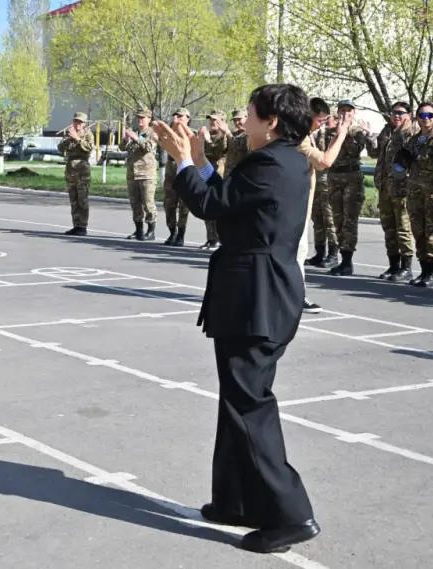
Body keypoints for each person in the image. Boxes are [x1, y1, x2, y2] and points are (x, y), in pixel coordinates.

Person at [151, 84, 320, 554]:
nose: (241, 121)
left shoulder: (272, 162)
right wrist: (201, 161)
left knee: (250, 407)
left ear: (271, 122)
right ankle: (234, 500)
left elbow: (210, 206)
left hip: (257, 300)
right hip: (256, 296)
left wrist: (183, 162)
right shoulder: (281, 161)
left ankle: (290, 516)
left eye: (248, 114)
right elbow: (231, 200)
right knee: (236, 402)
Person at [296, 98, 349, 313]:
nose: (322, 125)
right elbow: (324, 161)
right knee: (297, 254)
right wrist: (341, 134)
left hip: (299, 204)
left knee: (296, 254)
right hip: (293, 207)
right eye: (320, 120)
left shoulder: (304, 134)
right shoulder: (298, 136)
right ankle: (296, 297)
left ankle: (291, 295)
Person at [396, 102, 433, 288]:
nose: (425, 119)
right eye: (422, 115)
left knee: (432, 231)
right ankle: (424, 270)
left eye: (430, 115)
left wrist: (423, 159)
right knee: (418, 231)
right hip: (414, 190)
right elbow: (403, 163)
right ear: (417, 117)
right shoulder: (413, 140)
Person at [325, 100, 377, 276]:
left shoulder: (358, 133)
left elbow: (369, 152)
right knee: (337, 220)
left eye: (349, 110)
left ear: (354, 113)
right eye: (342, 110)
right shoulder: (329, 131)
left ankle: (347, 262)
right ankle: (342, 258)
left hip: (351, 179)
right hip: (334, 178)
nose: (345, 113)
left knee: (349, 221)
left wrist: (369, 135)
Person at [374, 102, 417, 282]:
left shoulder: (411, 134)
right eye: (394, 113)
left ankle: (406, 267)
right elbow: (375, 153)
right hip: (385, 187)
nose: (396, 116)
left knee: (403, 228)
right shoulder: (388, 132)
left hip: (402, 188)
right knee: (389, 228)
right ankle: (393, 265)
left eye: (401, 113)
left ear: (409, 115)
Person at [121, 107, 159, 240]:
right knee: (135, 203)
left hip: (147, 174)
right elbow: (122, 148)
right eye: (138, 117)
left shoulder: (152, 133)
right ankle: (138, 230)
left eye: (142, 118)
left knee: (148, 204)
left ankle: (151, 230)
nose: (140, 120)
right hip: (132, 173)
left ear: (149, 119)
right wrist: (126, 139)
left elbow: (148, 147)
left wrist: (136, 138)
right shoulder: (135, 132)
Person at [200, 110, 233, 250]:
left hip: (218, 173)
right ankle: (210, 238)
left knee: (217, 206)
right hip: (207, 172)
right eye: (211, 120)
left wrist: (207, 140)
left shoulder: (224, 136)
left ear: (222, 121)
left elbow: (218, 152)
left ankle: (218, 239)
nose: (212, 122)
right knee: (207, 206)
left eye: (215, 120)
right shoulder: (208, 134)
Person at [58, 112, 94, 236]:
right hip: (71, 171)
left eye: (80, 122)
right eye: (76, 121)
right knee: (73, 199)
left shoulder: (88, 134)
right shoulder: (70, 134)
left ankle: (83, 226)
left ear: (84, 124)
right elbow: (60, 148)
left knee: (82, 199)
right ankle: (76, 225)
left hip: (82, 170)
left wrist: (77, 139)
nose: (77, 124)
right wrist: (67, 139)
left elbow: (89, 147)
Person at [161, 108, 191, 245]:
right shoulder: (169, 134)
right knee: (169, 204)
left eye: (180, 117)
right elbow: (162, 141)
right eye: (175, 116)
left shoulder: (192, 135)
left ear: (187, 119)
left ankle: (181, 234)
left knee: (184, 205)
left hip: (185, 172)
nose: (177, 119)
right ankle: (172, 232)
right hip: (171, 173)